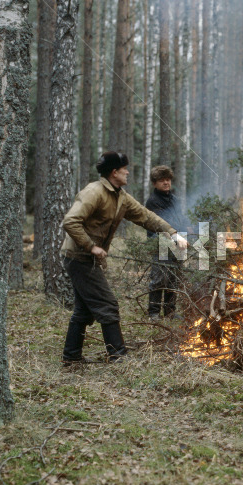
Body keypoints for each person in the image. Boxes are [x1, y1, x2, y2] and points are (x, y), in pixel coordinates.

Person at [60, 151, 188, 364]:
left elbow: (146, 217)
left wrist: (172, 233)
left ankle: (71, 357)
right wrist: (91, 247)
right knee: (108, 304)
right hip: (79, 257)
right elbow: (70, 221)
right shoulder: (94, 192)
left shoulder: (121, 197)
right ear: (114, 172)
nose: (128, 172)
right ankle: (118, 356)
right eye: (124, 169)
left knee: (83, 311)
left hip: (86, 258)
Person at [145, 165, 180, 320]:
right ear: (155, 183)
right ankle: (153, 312)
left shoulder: (174, 199)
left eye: (168, 179)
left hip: (177, 241)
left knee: (174, 279)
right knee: (159, 279)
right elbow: (161, 223)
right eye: (162, 180)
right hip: (160, 242)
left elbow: (180, 219)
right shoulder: (153, 201)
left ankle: (170, 312)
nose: (166, 183)